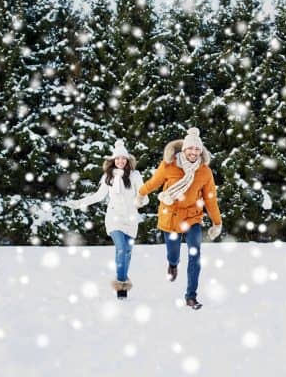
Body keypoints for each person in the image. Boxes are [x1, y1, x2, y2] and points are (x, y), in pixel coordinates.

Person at [135, 127, 222, 310]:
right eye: (190, 149)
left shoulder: (205, 172)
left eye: (197, 149)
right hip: (171, 216)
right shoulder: (169, 165)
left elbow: (210, 199)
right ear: (184, 149)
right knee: (173, 252)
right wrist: (141, 195)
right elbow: (154, 182)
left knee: (195, 255)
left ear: (201, 151)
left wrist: (217, 222)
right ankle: (173, 264)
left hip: (192, 217)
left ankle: (191, 296)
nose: (193, 152)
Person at [67, 140, 147, 300]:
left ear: (127, 160)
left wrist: (140, 201)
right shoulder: (108, 177)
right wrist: (79, 203)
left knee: (128, 253)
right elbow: (98, 196)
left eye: (123, 159)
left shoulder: (135, 176)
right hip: (114, 218)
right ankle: (121, 285)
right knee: (121, 249)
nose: (120, 161)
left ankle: (122, 278)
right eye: (117, 159)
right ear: (113, 161)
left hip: (131, 220)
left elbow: (144, 197)